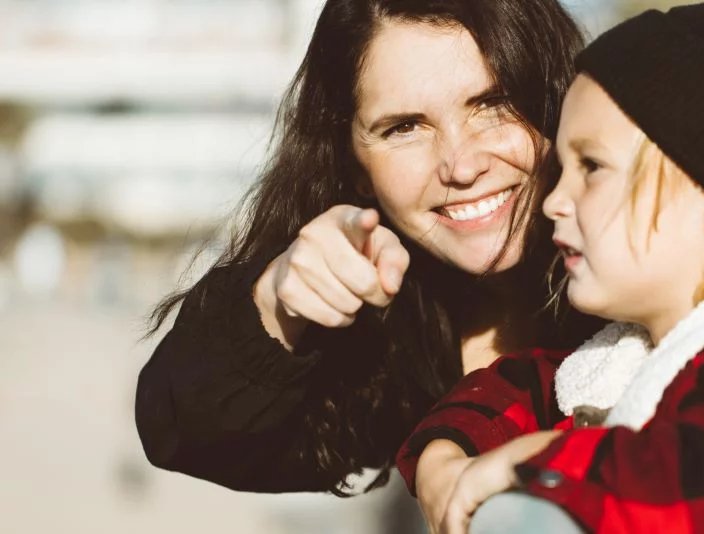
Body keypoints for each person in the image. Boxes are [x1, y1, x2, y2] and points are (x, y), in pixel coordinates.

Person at [135, 0, 598, 516]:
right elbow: (185, 431)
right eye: (404, 127)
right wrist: (277, 303)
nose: (461, 165)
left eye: (493, 104)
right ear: (354, 166)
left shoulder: (668, 281)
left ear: (562, 99)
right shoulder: (382, 330)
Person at [396, 1, 704, 532]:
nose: (552, 202)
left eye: (591, 167)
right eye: (562, 168)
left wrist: (535, 462)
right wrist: (444, 453)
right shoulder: (625, 356)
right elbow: (527, 386)